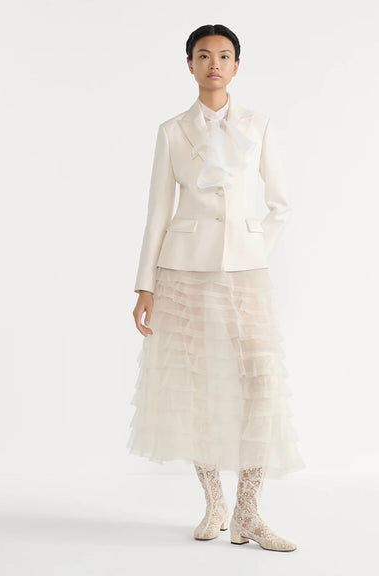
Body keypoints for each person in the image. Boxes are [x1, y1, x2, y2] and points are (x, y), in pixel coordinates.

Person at [127, 23, 306, 552]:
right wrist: (144, 285)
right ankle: (214, 503)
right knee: (198, 387)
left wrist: (253, 246)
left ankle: (249, 510)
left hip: (245, 273)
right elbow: (157, 212)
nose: (214, 64)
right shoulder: (171, 131)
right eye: (203, 55)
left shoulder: (259, 125)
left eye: (224, 56)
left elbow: (281, 204)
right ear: (189, 64)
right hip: (184, 272)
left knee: (261, 381)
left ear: (236, 65)